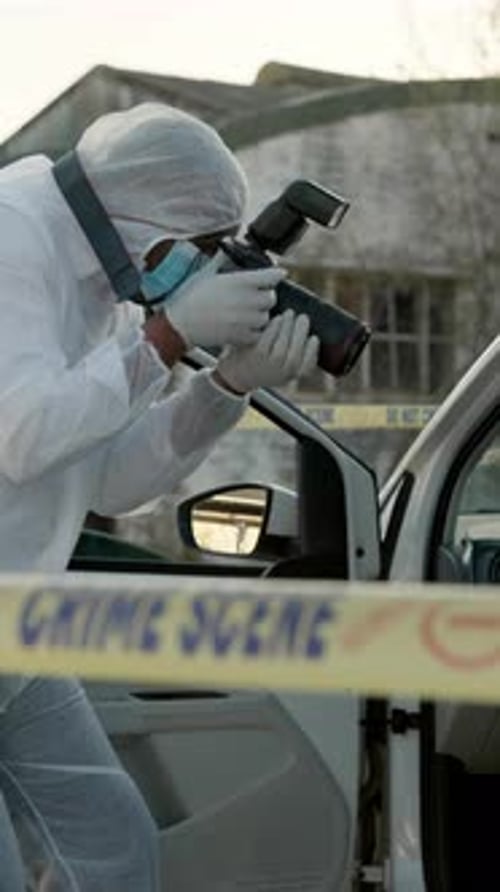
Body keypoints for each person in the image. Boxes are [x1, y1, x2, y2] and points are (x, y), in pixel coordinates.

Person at [0, 103, 319, 890]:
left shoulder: (108, 281)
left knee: (115, 849)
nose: (205, 267)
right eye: (204, 246)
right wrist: (167, 338)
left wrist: (226, 386)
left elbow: (110, 480)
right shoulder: (12, 234)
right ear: (137, 214)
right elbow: (24, 434)